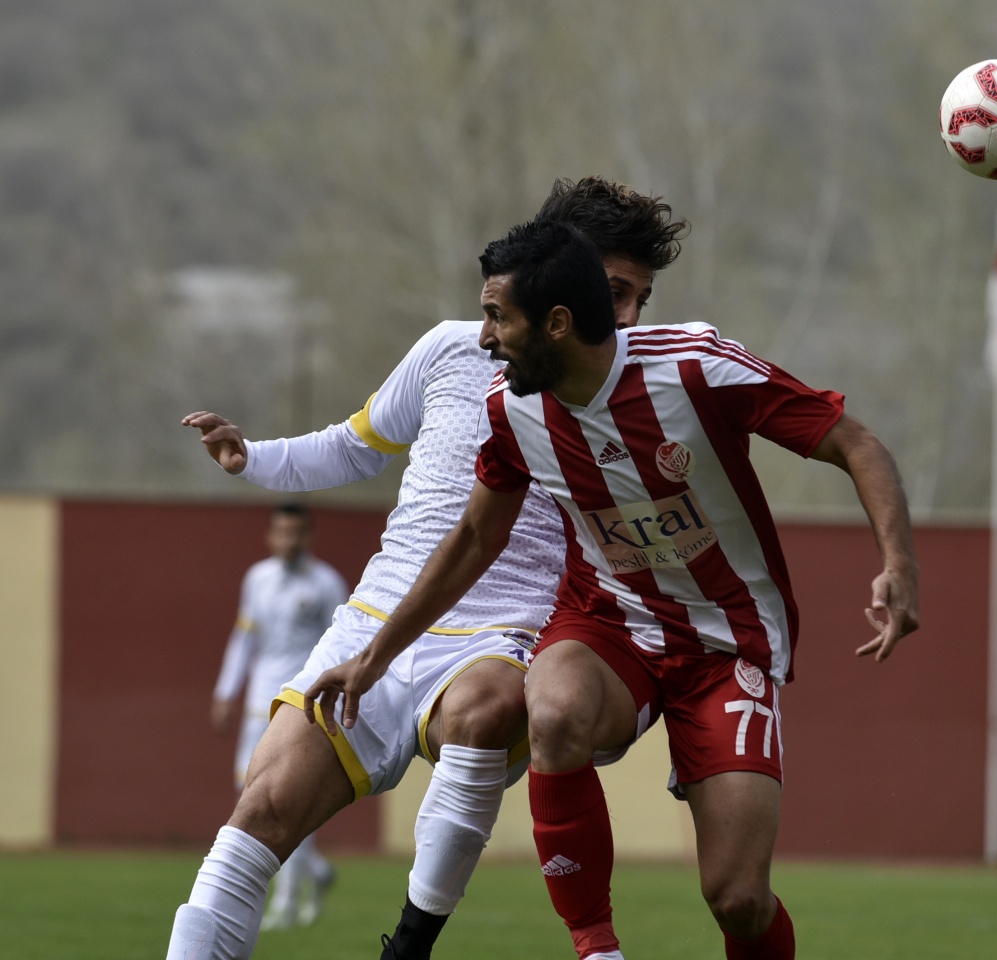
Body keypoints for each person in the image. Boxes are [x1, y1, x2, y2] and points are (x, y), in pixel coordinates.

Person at [304, 218, 920, 960]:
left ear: (557, 324)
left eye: (499, 317)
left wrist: (899, 566)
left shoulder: (695, 367)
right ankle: (598, 951)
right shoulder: (509, 409)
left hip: (725, 644)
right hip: (609, 625)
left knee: (739, 899)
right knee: (554, 709)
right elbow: (473, 538)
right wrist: (375, 656)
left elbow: (855, 442)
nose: (486, 338)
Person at [165, 177, 688, 960]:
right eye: (614, 291)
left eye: (638, 298)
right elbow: (355, 443)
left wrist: (677, 714)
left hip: (502, 635)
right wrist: (254, 459)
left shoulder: (642, 390)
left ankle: (411, 943)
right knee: (256, 816)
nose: (629, 318)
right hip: (375, 621)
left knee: (483, 707)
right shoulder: (450, 348)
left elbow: (667, 554)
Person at [210, 501, 350, 930]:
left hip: (300, 708)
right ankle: (317, 871)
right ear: (271, 535)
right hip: (257, 706)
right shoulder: (257, 579)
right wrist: (224, 691)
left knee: (288, 798)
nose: (289, 541)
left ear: (309, 536)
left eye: (297, 533)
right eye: (281, 533)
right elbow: (243, 638)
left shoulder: (328, 584)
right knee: (251, 800)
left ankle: (286, 904)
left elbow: (346, 644)